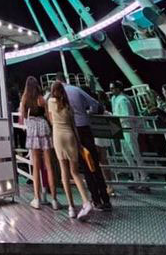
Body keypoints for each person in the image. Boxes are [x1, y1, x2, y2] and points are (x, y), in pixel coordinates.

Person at [55, 73, 111, 211]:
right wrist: (88, 113)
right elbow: (96, 105)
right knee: (94, 163)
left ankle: (95, 199)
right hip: (85, 128)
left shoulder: (55, 96)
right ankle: (105, 199)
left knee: (85, 166)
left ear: (56, 81)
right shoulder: (76, 90)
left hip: (71, 131)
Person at [47, 81, 92, 221]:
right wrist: (78, 143)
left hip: (58, 137)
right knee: (75, 172)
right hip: (71, 137)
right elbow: (74, 126)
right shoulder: (68, 105)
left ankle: (71, 207)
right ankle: (86, 201)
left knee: (64, 173)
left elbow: (51, 121)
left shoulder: (50, 103)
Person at [19, 76, 60, 210]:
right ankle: (54, 199)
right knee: (49, 166)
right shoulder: (42, 99)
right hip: (43, 128)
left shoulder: (24, 99)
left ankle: (36, 199)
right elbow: (48, 117)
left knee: (36, 166)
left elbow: (23, 116)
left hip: (32, 131)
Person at [110, 80, 148, 192]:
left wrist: (115, 118)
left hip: (128, 127)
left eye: (113, 88)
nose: (111, 90)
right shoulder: (114, 99)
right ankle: (135, 176)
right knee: (125, 152)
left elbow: (127, 115)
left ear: (118, 88)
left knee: (134, 151)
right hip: (119, 127)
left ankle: (144, 178)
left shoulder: (124, 100)